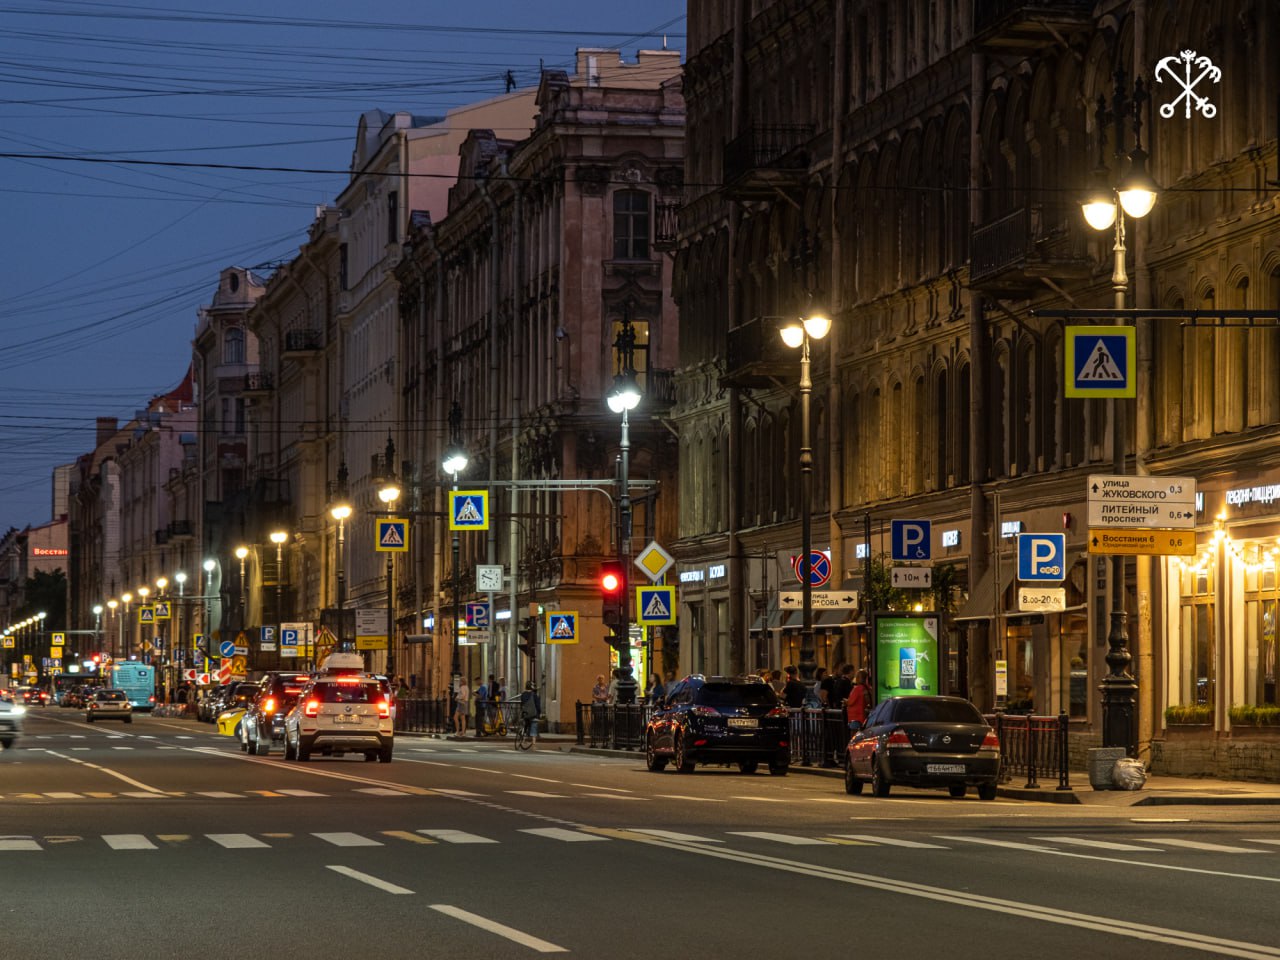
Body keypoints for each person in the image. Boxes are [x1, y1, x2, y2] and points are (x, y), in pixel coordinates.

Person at [846, 668, 872, 733]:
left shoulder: (857, 689)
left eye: (857, 676)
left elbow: (850, 702)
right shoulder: (868, 688)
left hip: (855, 717)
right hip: (863, 717)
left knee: (854, 737)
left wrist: (845, 702)